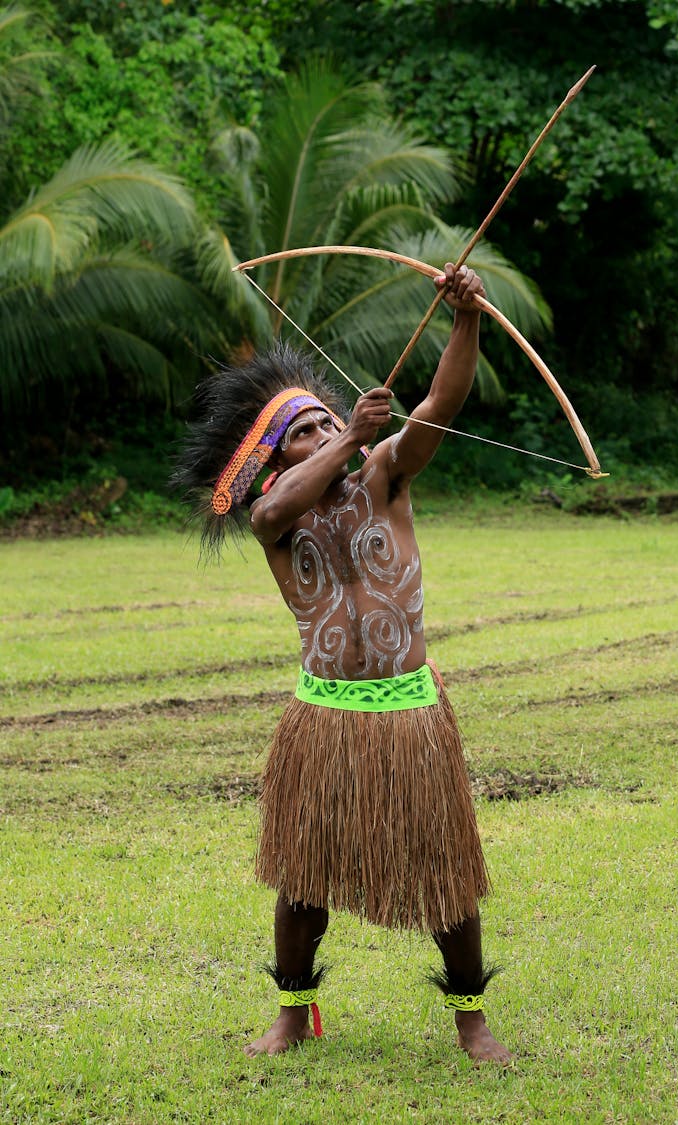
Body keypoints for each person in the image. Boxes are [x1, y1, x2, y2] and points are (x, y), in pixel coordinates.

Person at [176, 262, 512, 1065]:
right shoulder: (276, 516)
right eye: (304, 431)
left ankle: (471, 1020)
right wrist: (349, 437)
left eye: (329, 422)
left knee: (447, 874)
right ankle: (293, 1013)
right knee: (301, 877)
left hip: (410, 711)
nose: (325, 433)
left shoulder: (385, 475)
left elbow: (439, 405)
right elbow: (272, 507)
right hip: (323, 715)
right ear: (273, 456)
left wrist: (465, 319)